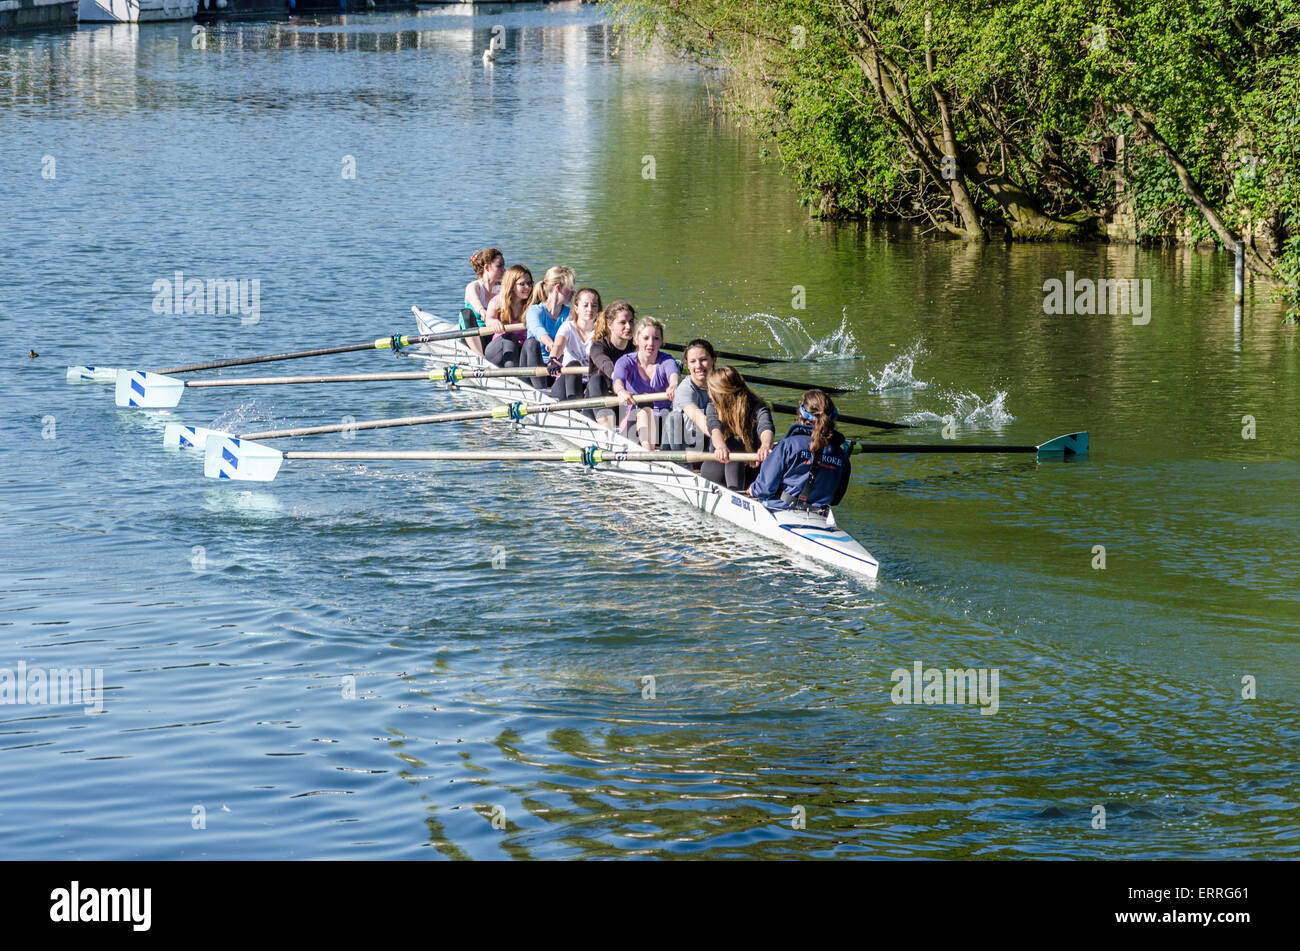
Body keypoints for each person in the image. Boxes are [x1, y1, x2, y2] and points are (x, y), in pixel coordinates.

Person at [748, 389, 853, 512]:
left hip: (779, 510)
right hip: (818, 515)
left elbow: (764, 489)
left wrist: (753, 489)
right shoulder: (842, 455)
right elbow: (836, 499)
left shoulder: (787, 446)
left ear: (801, 414)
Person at [700, 365, 775, 490]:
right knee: (734, 442)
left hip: (750, 468)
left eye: (710, 390)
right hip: (718, 469)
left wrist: (765, 446)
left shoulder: (757, 406)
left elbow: (766, 427)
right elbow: (715, 429)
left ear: (722, 394)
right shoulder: (712, 407)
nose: (708, 394)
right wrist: (721, 447)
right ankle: (736, 493)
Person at [612, 315, 680, 450]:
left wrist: (674, 385)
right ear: (636, 340)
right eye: (646, 338)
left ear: (661, 342)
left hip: (662, 420)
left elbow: (673, 375)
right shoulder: (625, 362)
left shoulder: (667, 361)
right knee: (644, 406)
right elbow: (618, 381)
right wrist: (621, 391)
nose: (651, 343)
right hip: (634, 423)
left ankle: (650, 451)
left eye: (656, 339)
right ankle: (648, 451)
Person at [521, 266, 575, 389]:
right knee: (531, 343)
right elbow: (538, 329)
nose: (573, 292)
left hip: (556, 367)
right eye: (570, 288)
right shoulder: (534, 311)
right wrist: (550, 344)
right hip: (532, 371)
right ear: (558, 288)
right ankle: (541, 392)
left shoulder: (570, 314)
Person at [586, 301, 637, 426]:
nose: (629, 327)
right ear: (610, 325)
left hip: (625, 401)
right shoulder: (598, 347)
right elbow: (607, 366)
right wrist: (620, 389)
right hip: (598, 403)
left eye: (631, 321)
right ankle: (605, 425)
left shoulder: (637, 347)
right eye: (622, 323)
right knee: (596, 379)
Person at [549, 287, 601, 402]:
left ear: (598, 310)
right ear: (576, 308)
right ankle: (575, 407)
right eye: (585, 305)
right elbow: (558, 345)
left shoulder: (602, 332)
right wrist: (553, 358)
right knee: (574, 364)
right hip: (566, 382)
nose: (590, 309)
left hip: (590, 384)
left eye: (594, 305)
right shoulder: (568, 327)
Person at [666, 338, 715, 452]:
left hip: (710, 444)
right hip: (685, 447)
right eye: (693, 361)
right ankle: (681, 464)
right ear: (687, 364)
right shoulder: (685, 389)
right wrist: (719, 437)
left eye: (703, 360)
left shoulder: (721, 384)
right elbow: (698, 417)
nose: (698, 366)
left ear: (713, 359)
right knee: (673, 417)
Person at [482, 265, 533, 367]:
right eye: (522, 284)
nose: (527, 287)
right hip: (499, 350)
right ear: (512, 285)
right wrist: (494, 322)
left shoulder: (532, 304)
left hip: (520, 349)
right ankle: (512, 375)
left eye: (529, 283)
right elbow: (489, 319)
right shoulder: (497, 302)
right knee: (510, 337)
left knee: (532, 343)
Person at [461, 247, 504, 357]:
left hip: (493, 334)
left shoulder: (500, 288)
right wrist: (484, 313)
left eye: (504, 266)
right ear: (486, 267)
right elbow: (477, 305)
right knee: (466, 314)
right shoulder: (473, 287)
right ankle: (480, 356)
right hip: (474, 335)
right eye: (499, 266)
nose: (504, 270)